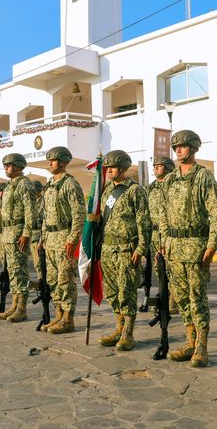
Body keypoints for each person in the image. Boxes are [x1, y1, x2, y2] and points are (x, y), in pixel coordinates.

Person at [159, 130, 217, 368]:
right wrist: (165, 240)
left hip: (195, 246)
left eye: (183, 146)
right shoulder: (169, 180)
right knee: (182, 298)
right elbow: (163, 214)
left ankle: (201, 346)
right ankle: (189, 341)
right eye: (176, 147)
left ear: (194, 149)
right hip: (174, 249)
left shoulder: (203, 177)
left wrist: (212, 244)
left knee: (197, 298)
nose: (178, 150)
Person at [98, 150, 151, 351]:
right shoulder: (107, 191)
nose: (109, 171)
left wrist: (141, 247)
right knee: (112, 292)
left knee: (126, 292)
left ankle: (128, 333)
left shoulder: (134, 190)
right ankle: (118, 328)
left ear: (122, 168)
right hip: (108, 248)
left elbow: (143, 221)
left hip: (126, 249)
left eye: (112, 167)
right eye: (108, 168)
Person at [38, 146, 85, 334]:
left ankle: (68, 319)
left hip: (65, 239)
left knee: (65, 280)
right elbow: (45, 214)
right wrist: (42, 238)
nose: (50, 163)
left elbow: (79, 214)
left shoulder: (70, 184)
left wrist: (73, 238)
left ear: (64, 163)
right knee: (52, 280)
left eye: (54, 160)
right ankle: (58, 315)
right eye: (49, 160)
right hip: (50, 240)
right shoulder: (49, 185)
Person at [0, 153, 36, 323]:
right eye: (5, 165)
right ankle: (13, 305)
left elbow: (30, 211)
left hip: (18, 233)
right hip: (7, 233)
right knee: (12, 272)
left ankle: (22, 308)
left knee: (20, 271)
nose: (6, 167)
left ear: (19, 166)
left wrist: (26, 233)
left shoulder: (24, 184)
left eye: (9, 165)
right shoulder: (9, 185)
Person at [147, 156, 177, 313]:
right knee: (158, 268)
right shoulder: (151, 188)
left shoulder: (172, 186)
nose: (155, 168)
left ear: (168, 168)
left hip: (168, 233)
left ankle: (173, 301)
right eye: (155, 166)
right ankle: (162, 296)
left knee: (170, 268)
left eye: (159, 166)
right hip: (153, 234)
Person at [30, 180, 44, 278]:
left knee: (40, 261)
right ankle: (41, 280)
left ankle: (42, 281)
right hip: (32, 235)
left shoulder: (43, 202)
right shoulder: (32, 202)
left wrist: (41, 239)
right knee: (36, 261)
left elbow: (45, 221)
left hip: (40, 235)